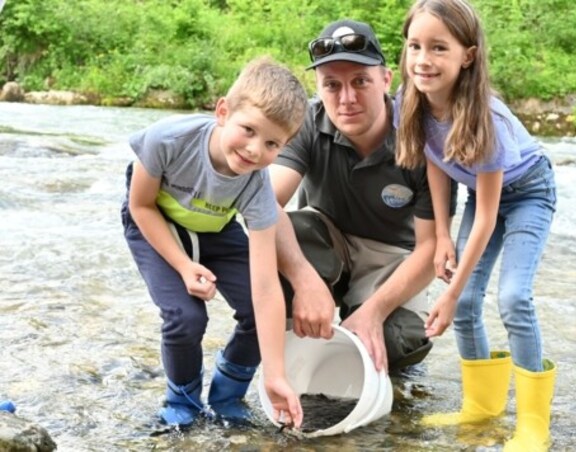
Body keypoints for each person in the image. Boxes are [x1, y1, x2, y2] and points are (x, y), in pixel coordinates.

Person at [395, 0, 558, 450]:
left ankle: (532, 426)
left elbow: (487, 218)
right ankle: (482, 410)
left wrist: (445, 296)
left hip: (528, 194)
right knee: (467, 301)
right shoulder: (412, 102)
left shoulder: (487, 118)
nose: (423, 60)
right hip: (478, 198)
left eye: (438, 48)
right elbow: (436, 163)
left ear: (467, 55)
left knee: (513, 297)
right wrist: (443, 235)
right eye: (415, 46)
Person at [120, 56, 307, 429]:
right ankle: (183, 400)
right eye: (249, 130)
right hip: (155, 221)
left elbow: (266, 285)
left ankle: (227, 395)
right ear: (223, 111)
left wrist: (275, 374)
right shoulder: (168, 139)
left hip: (215, 229)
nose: (255, 150)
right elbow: (140, 206)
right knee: (186, 317)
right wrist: (183, 265)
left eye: (273, 143)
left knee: (270, 306)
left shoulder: (257, 187)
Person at [270, 19, 455, 374]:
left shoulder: (425, 139)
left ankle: (360, 324)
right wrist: (302, 278)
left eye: (360, 82)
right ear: (318, 87)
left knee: (397, 341)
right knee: (292, 233)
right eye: (332, 85)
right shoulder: (306, 121)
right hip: (325, 245)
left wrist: (374, 312)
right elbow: (264, 203)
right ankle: (300, 353)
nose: (347, 98)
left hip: (394, 260)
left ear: (386, 80)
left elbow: (430, 248)